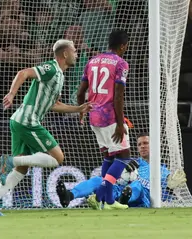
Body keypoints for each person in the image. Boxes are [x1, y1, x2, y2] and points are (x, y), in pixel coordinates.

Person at [0, 39, 92, 216]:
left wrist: (77, 108)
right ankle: (9, 161)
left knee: (22, 169)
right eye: (74, 51)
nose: (77, 54)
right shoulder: (52, 68)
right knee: (57, 157)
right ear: (65, 54)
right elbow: (23, 73)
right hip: (28, 121)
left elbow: (53, 104)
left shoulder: (60, 76)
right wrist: (11, 93)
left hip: (19, 121)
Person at [56, 133, 187, 208]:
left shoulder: (163, 170)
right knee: (99, 180)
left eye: (145, 143)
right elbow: (112, 175)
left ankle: (123, 201)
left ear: (154, 145)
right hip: (118, 191)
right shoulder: (130, 162)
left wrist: (171, 185)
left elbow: (167, 194)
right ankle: (69, 195)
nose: (142, 147)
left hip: (142, 200)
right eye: (139, 144)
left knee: (137, 185)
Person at [76, 29, 130, 210]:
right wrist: (120, 124)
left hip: (93, 116)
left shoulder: (92, 61)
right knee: (123, 157)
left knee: (108, 156)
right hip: (110, 118)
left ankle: (108, 202)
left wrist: (81, 111)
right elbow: (118, 96)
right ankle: (99, 195)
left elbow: (80, 92)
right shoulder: (121, 63)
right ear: (123, 46)